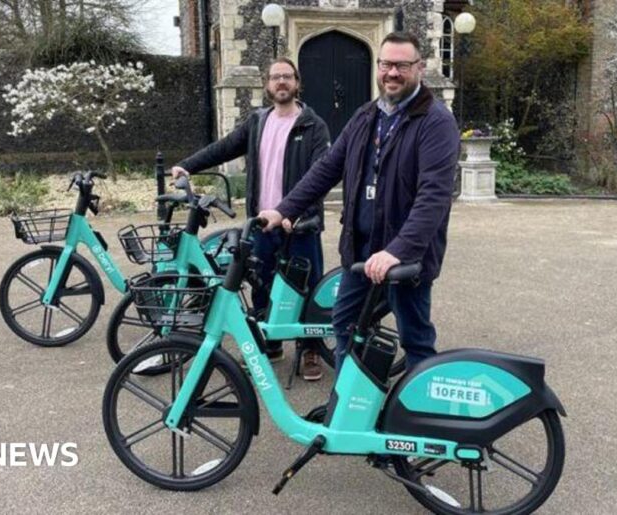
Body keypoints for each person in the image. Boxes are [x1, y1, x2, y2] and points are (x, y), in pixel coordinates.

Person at [259, 31, 461, 372]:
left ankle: (423, 418)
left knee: (415, 338)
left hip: (404, 259)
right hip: (360, 250)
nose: (392, 73)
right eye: (386, 64)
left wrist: (398, 250)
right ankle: (349, 412)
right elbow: (326, 169)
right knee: (345, 326)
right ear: (377, 67)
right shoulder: (367, 115)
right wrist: (283, 210)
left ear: (419, 68)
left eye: (402, 65)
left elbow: (434, 198)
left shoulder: (436, 122)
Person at [171, 57, 331, 381]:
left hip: (298, 225)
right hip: (260, 223)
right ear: (267, 85)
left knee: (307, 287)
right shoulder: (257, 121)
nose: (281, 82)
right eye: (275, 77)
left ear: (297, 83)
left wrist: (293, 213)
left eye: (287, 77)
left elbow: (321, 176)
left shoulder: (314, 125)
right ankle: (268, 344)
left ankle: (311, 348)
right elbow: (225, 147)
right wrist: (188, 164)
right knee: (262, 285)